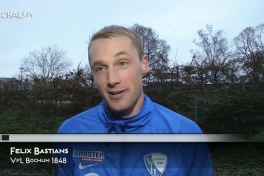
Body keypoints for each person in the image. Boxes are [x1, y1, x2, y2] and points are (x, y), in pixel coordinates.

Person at [57, 25, 213, 176]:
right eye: (100, 68)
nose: (112, 79)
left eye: (122, 63)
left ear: (144, 64)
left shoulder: (186, 134)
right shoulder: (70, 133)